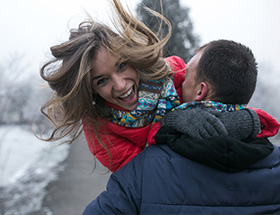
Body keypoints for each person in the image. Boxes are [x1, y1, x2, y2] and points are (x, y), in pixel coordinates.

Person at [39, 0, 263, 172]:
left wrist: (244, 120)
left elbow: (224, 110)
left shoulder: (175, 74)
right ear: (91, 89)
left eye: (122, 65)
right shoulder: (101, 130)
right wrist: (172, 123)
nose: (120, 85)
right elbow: (148, 175)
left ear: (132, 56)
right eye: (102, 80)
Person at [83, 40, 280, 215]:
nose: (177, 83)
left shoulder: (144, 172)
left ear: (201, 91)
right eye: (102, 80)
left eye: (185, 76)